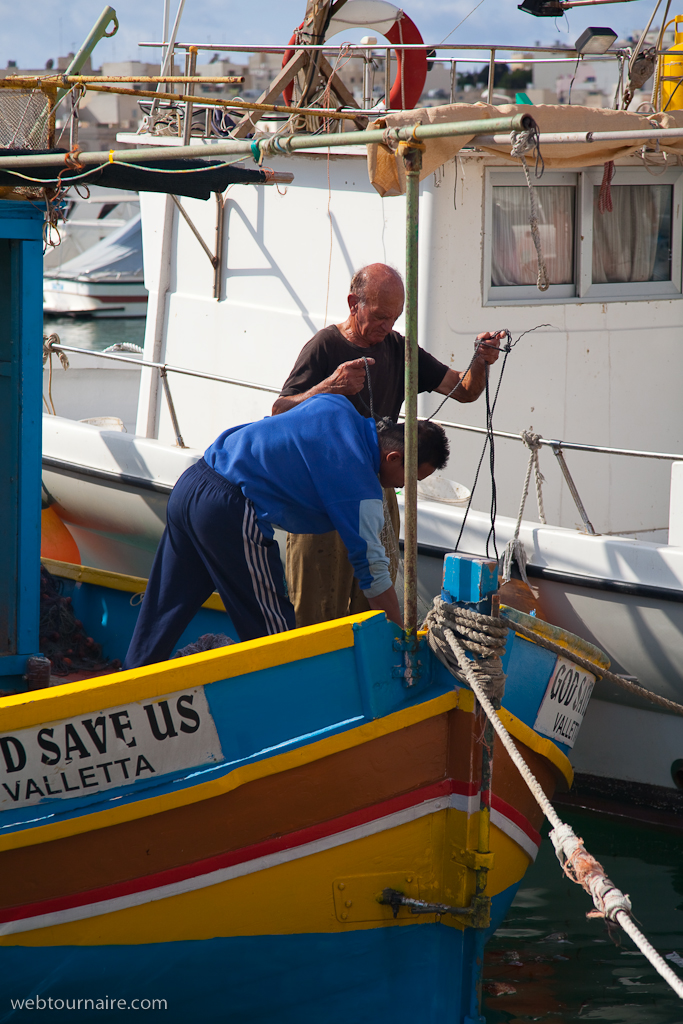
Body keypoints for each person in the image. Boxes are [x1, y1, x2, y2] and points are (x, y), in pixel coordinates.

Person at [123, 395, 450, 669]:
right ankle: (291, 705)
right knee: (272, 626)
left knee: (166, 602)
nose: (404, 487)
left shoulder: (335, 405)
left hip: (193, 481)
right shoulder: (360, 487)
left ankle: (130, 680)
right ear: (393, 457)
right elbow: (373, 571)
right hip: (230, 505)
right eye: (409, 478)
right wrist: (401, 638)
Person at [272, 262, 504, 628]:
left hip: (376, 493)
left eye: (394, 318)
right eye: (380, 317)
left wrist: (481, 358)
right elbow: (279, 411)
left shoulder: (398, 347)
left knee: (371, 610)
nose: (387, 327)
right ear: (354, 303)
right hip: (322, 498)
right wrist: (330, 386)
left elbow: (465, 390)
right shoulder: (325, 346)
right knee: (316, 612)